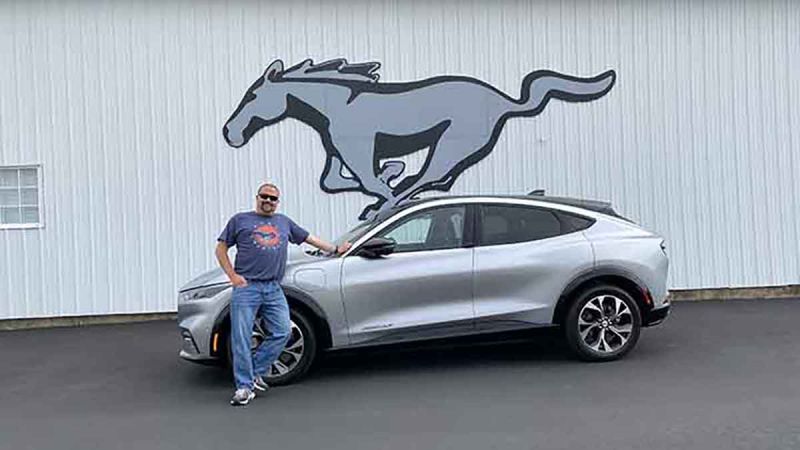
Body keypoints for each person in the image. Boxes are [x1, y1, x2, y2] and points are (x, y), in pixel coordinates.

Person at [215, 182, 351, 406]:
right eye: (264, 196)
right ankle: (244, 387)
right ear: (257, 197)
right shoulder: (240, 220)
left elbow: (308, 238)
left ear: (277, 202)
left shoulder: (283, 222)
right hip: (246, 288)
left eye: (273, 198)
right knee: (241, 338)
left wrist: (335, 249)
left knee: (283, 332)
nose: (268, 201)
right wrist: (232, 276)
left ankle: (254, 371)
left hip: (273, 288)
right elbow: (221, 248)